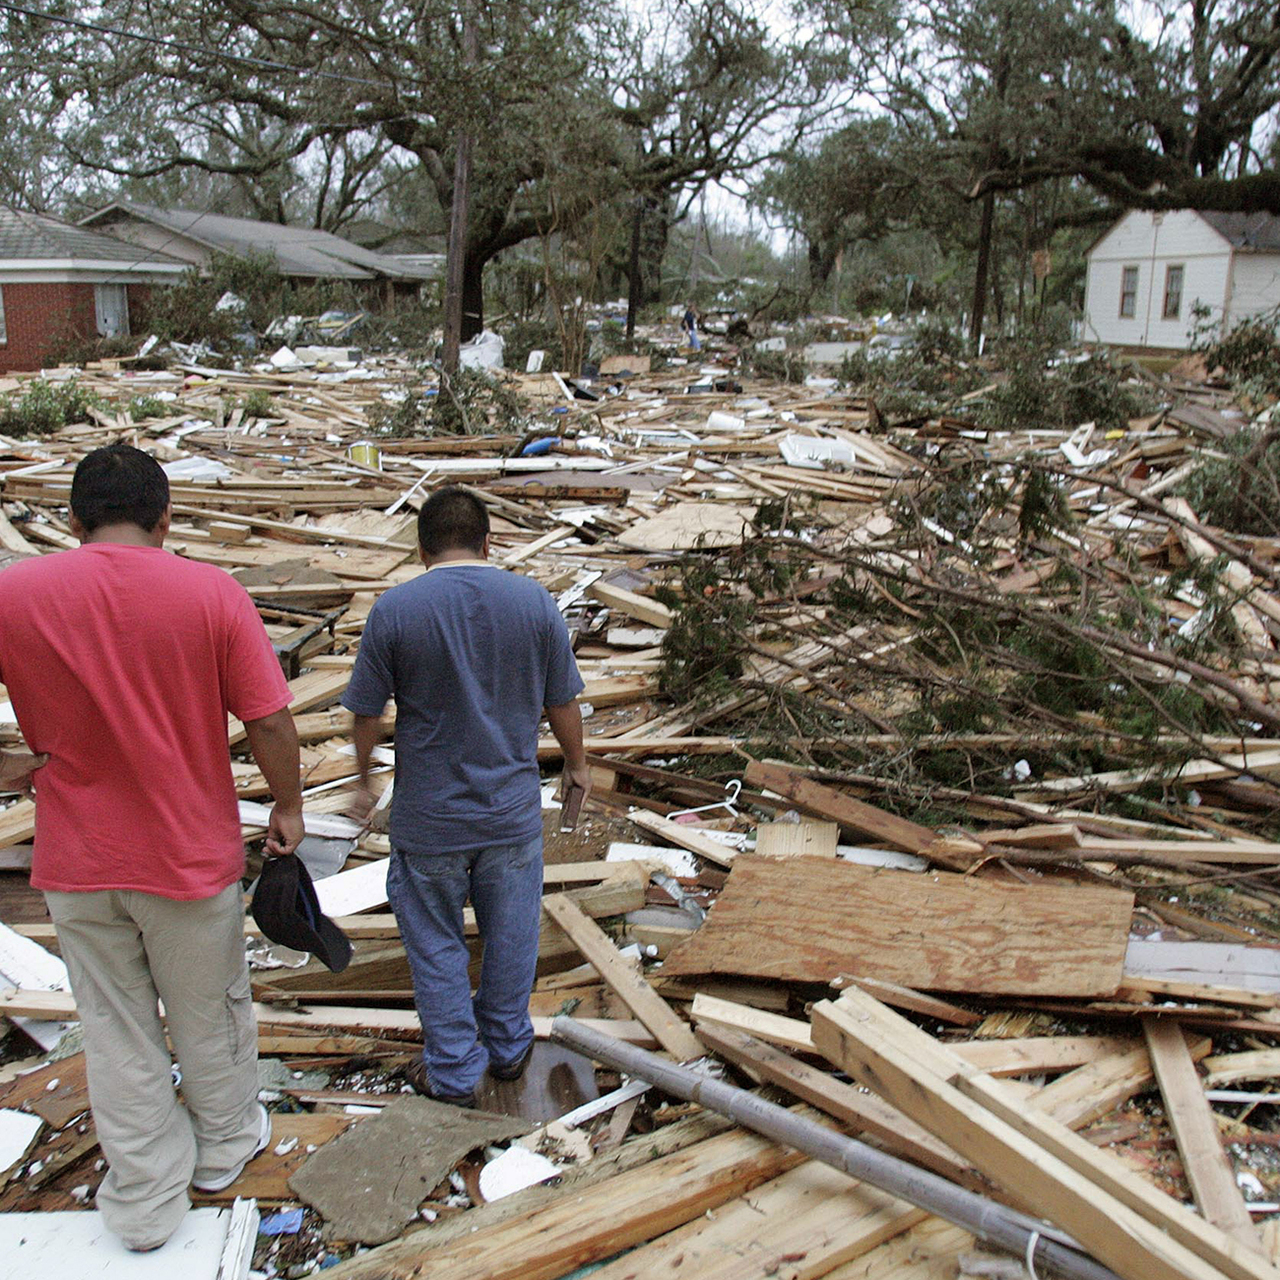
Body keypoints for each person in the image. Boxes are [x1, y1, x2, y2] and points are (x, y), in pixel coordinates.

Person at [0, 443, 305, 1252]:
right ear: (166, 517)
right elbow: (269, 719)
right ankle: (224, 1149)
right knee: (209, 1016)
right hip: (187, 857)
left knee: (116, 1030)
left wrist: (11, 768)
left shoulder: (11, 593)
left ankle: (141, 1205)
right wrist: (287, 804)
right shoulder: (210, 591)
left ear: (73, 521)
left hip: (76, 859)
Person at [343, 486, 591, 1106]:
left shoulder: (395, 610)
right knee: (512, 936)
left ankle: (454, 1071)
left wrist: (365, 781)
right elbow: (562, 701)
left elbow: (365, 712)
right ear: (488, 541)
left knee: (435, 945)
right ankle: (507, 1049)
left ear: (422, 549)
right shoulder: (533, 602)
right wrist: (578, 766)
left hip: (430, 820)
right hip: (509, 814)